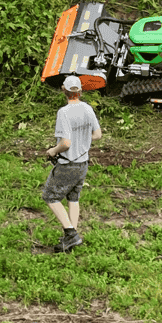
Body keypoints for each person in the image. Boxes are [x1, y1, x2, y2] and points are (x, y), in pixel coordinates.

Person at [42, 75, 102, 253]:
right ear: (80, 92)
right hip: (83, 163)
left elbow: (66, 143)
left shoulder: (64, 112)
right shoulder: (87, 109)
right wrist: (82, 140)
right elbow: (97, 135)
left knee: (50, 197)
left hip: (68, 164)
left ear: (64, 90)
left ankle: (70, 234)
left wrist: (53, 150)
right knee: (73, 198)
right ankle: (71, 239)